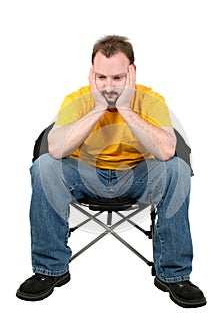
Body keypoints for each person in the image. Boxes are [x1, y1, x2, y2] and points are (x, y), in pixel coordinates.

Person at [16, 35, 206, 307]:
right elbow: (55, 150)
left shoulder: (151, 100)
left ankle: (174, 275)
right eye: (101, 77)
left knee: (176, 168)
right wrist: (97, 108)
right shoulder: (77, 100)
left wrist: (126, 109)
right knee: (44, 166)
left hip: (136, 176)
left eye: (117, 78)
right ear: (92, 73)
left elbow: (166, 151)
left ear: (132, 72)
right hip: (85, 176)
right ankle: (50, 270)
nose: (109, 87)